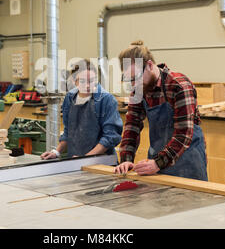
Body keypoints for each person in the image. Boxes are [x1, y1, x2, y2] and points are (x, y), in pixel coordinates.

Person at [114, 40, 208, 181]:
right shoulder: (139, 90)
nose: (134, 84)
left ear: (150, 66)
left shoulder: (178, 85)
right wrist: (126, 160)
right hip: (158, 160)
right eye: (129, 80)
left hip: (187, 160)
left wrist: (158, 163)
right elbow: (132, 127)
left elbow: (183, 134)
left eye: (136, 78)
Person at [41, 59, 123, 159]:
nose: (88, 85)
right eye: (83, 81)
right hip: (75, 161)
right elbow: (68, 131)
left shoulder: (106, 100)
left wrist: (85, 158)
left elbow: (110, 137)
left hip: (102, 162)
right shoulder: (70, 98)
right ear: (74, 81)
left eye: (92, 81)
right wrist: (56, 152)